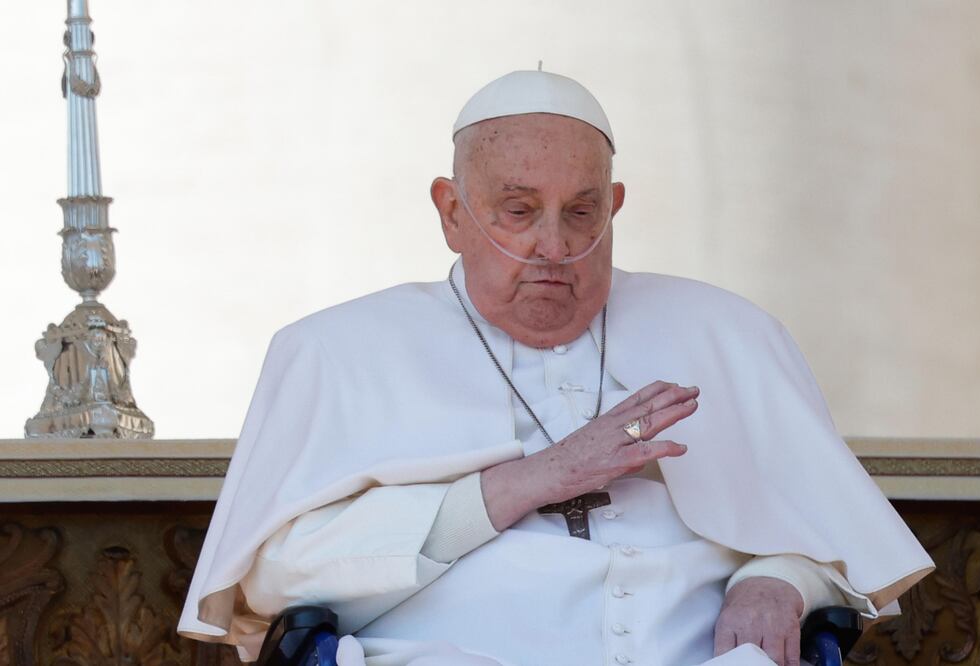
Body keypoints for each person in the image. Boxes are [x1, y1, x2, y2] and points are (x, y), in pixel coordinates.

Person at [179, 70, 932, 666]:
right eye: (517, 210)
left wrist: (778, 582)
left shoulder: (726, 332)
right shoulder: (334, 351)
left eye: (582, 211)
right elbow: (272, 581)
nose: (554, 245)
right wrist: (532, 481)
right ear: (451, 212)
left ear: (616, 206)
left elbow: (836, 541)